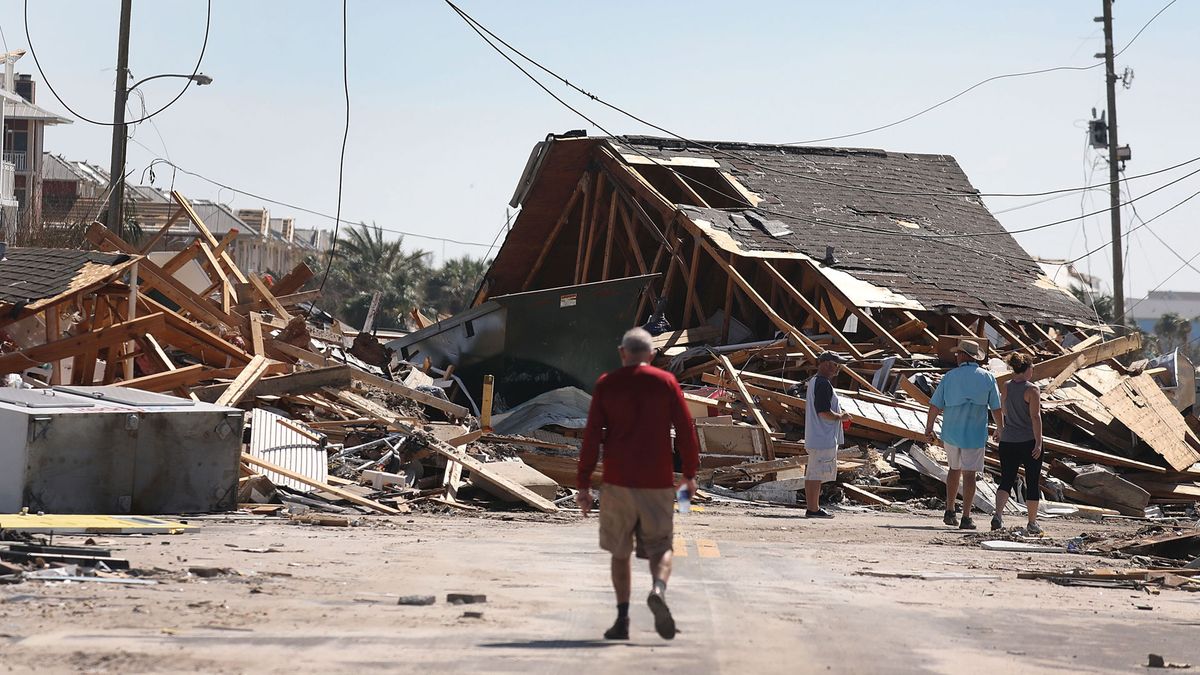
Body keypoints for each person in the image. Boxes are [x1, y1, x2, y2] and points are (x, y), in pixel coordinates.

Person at [577, 327, 699, 642]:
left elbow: (591, 436)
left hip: (617, 482)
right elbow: (686, 429)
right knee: (661, 547)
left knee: (620, 553)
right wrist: (689, 474)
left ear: (622, 353)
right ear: (652, 355)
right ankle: (657, 589)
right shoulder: (666, 382)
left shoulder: (607, 384)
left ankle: (622, 620)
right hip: (656, 482)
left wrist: (584, 484)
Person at [923, 340, 1003, 530]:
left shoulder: (950, 377)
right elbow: (996, 407)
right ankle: (966, 517)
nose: (956, 356)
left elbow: (935, 405)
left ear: (964, 355)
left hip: (952, 431)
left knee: (953, 469)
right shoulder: (987, 377)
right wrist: (1000, 428)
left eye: (958, 353)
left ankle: (950, 510)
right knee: (969, 474)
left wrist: (929, 427)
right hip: (974, 433)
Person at [991, 353, 1044, 534]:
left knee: (1006, 479)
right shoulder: (1032, 389)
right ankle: (1032, 522)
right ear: (1027, 369)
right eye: (1032, 368)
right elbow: (1035, 417)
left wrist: (1000, 429)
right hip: (1028, 440)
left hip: (1008, 440)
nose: (1033, 371)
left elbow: (1003, 411)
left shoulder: (1006, 386)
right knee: (1032, 480)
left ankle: (998, 515)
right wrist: (1039, 442)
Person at [804, 351, 852, 518]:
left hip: (817, 436)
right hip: (822, 437)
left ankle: (812, 507)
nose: (837, 368)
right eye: (835, 364)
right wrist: (841, 417)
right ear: (825, 364)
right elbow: (823, 412)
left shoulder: (815, 381)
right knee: (816, 474)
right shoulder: (823, 384)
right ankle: (813, 509)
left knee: (813, 473)